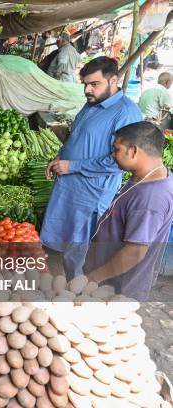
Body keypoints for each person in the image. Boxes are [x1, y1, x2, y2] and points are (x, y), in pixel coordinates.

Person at [40, 56, 143, 279]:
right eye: (85, 84)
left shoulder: (126, 113)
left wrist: (72, 165)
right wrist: (59, 158)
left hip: (90, 193)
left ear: (113, 80)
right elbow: (76, 138)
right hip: (69, 185)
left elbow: (118, 162)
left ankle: (79, 295)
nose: (88, 90)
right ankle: (70, 285)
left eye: (94, 84)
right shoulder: (91, 103)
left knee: (80, 250)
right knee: (67, 241)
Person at [85, 122, 173, 301]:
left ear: (133, 151)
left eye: (116, 149)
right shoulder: (150, 177)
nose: (112, 155)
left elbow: (135, 251)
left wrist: (94, 278)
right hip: (110, 278)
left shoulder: (150, 198)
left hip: (118, 287)